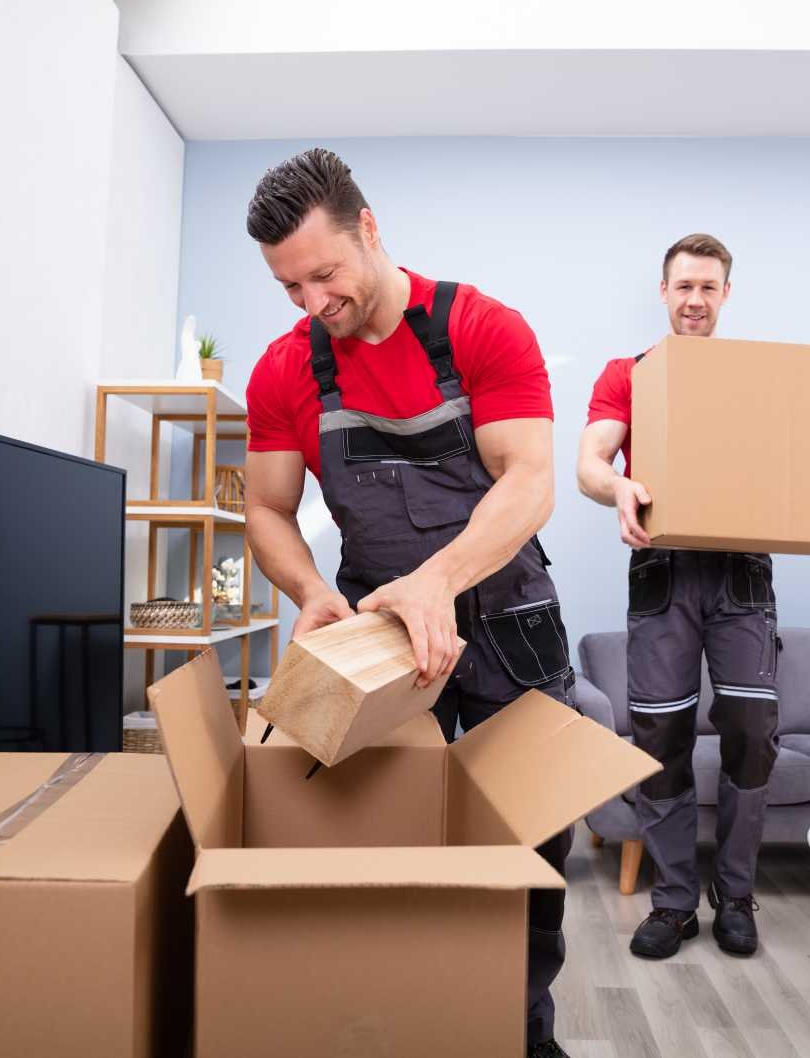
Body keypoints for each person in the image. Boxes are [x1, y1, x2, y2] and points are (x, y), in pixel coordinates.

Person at [242, 148, 577, 1058]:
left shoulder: (480, 328)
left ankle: (520, 1036)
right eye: (290, 287)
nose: (313, 304)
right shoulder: (283, 371)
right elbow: (265, 510)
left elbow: (530, 481)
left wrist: (438, 580)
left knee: (527, 847)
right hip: (374, 633)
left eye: (325, 275)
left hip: (506, 620)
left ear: (371, 231)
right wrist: (311, 592)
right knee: (369, 833)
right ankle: (389, 1023)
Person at [576, 232, 810, 959]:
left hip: (741, 576)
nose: (694, 300)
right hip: (664, 572)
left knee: (751, 734)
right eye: (683, 286)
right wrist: (617, 484)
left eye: (708, 287)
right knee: (660, 740)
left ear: (725, 294)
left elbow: (804, 476)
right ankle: (673, 901)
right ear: (663, 291)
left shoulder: (757, 379)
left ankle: (736, 893)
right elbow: (590, 462)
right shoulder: (629, 373)